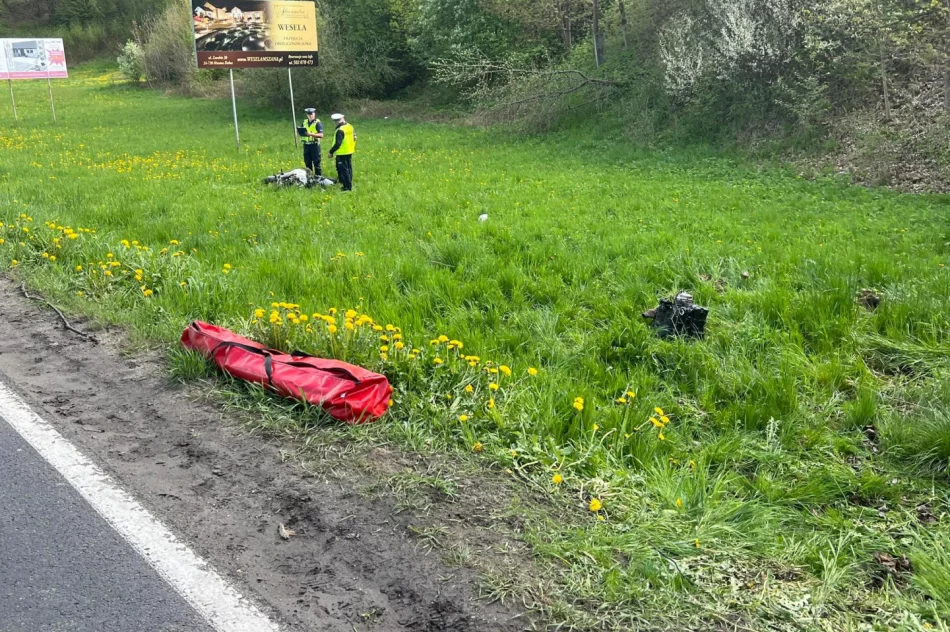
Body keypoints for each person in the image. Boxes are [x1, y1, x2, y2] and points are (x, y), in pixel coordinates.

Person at [328, 113, 356, 192]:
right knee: (349, 168)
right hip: (349, 150)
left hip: (342, 152)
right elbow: (354, 136)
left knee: (344, 170)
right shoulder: (349, 126)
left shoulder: (340, 130)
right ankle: (349, 183)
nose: (337, 122)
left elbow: (338, 144)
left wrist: (331, 152)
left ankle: (347, 187)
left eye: (337, 121)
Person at [301, 108, 323, 176]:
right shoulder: (304, 122)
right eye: (309, 114)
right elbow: (302, 130)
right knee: (307, 163)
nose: (310, 116)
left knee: (316, 163)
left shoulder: (317, 123)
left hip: (314, 145)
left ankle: (318, 178)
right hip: (306, 145)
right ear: (307, 115)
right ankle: (309, 178)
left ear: (314, 114)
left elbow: (321, 135)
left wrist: (311, 134)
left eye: (311, 114)